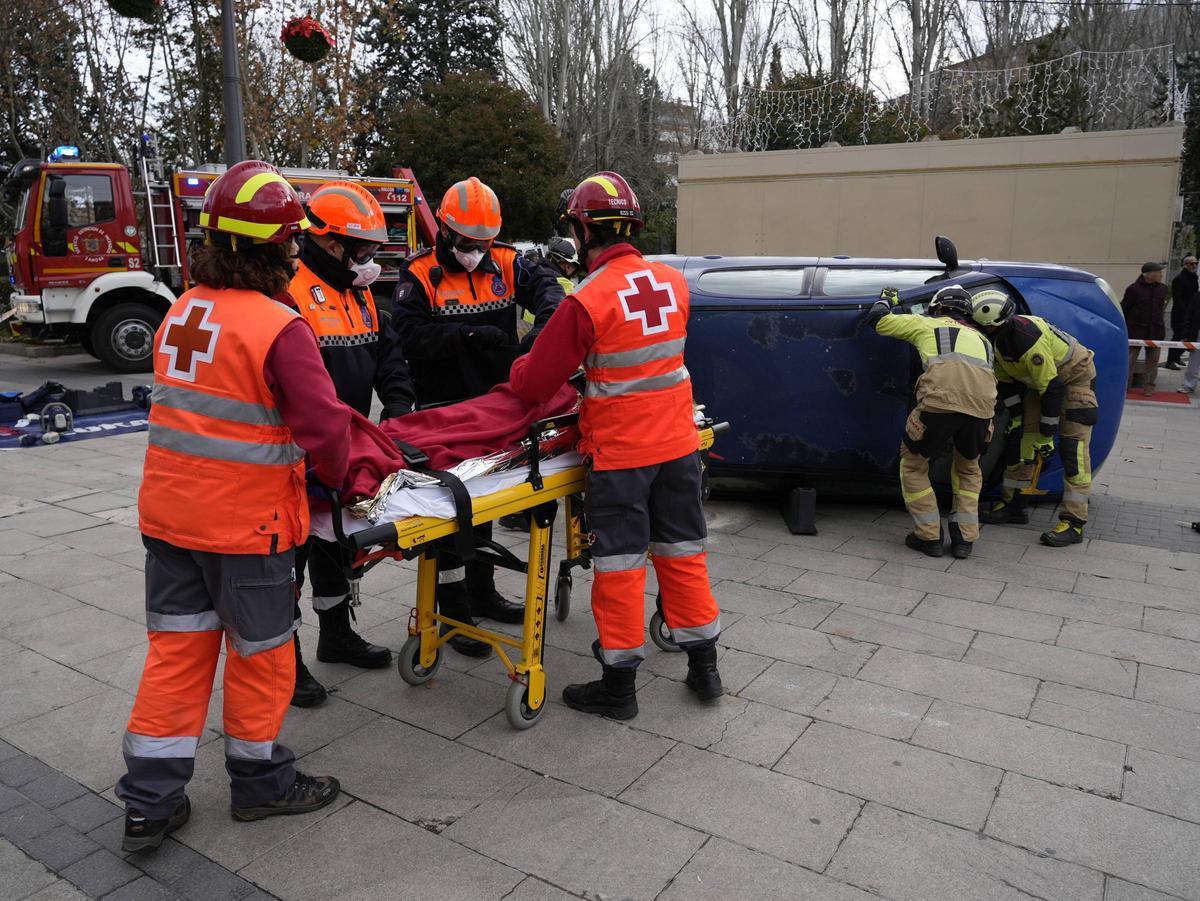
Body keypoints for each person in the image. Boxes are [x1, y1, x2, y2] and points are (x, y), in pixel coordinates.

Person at [117, 161, 345, 852]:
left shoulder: (181, 311)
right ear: (278, 247)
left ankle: (150, 803)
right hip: (249, 530)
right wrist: (345, 481)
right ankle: (260, 782)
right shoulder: (280, 326)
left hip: (170, 521)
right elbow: (326, 429)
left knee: (176, 655)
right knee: (261, 655)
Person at [509, 171, 723, 720]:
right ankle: (705, 668)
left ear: (583, 231)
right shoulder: (673, 284)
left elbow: (535, 384)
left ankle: (619, 688)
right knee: (683, 554)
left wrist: (519, 367)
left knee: (621, 567)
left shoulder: (588, 299)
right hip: (678, 446)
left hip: (623, 457)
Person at [389, 176, 564, 655]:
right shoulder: (419, 273)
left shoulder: (507, 262)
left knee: (492, 504)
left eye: (482, 243)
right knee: (451, 518)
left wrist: (543, 330)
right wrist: (466, 335)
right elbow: (408, 335)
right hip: (445, 415)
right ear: (445, 231)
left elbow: (550, 293)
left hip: (501, 411)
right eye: (467, 242)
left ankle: (482, 591)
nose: (474, 251)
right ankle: (452, 609)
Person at [285, 180, 416, 708]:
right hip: (293, 453)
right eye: (362, 250)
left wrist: (401, 412)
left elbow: (387, 356)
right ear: (331, 242)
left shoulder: (357, 291)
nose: (369, 262)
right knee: (288, 561)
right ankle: (284, 662)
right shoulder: (289, 288)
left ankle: (335, 634)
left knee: (332, 546)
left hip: (342, 445)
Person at [867, 285, 997, 559]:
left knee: (914, 465)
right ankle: (964, 540)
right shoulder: (983, 340)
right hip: (983, 412)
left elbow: (878, 322)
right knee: (969, 470)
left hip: (939, 404)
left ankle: (928, 536)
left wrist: (886, 299)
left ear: (937, 307)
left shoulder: (926, 324)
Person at [971, 290, 1099, 547]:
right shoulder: (995, 343)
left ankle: (1074, 523)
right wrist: (1019, 418)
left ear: (996, 324)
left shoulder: (1027, 340)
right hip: (1039, 385)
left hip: (1071, 381)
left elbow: (1053, 388)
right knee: (1021, 444)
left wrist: (1047, 435)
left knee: (1073, 451)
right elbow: (1007, 386)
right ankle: (1014, 505)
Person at [1123, 262, 1169, 396]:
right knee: (1130, 360)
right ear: (1149, 275)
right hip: (1136, 331)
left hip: (1155, 331)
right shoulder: (1133, 289)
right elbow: (1125, 308)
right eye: (1158, 272)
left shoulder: (1163, 289)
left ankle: (1149, 387)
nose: (1161, 275)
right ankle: (1125, 385)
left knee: (1153, 361)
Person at [1166, 254, 1199, 369]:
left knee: (1190, 337)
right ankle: (1170, 361)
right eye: (1191, 263)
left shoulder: (1194, 278)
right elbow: (1178, 298)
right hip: (1180, 314)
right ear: (1185, 265)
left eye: (1195, 263)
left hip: (1191, 314)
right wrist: (1186, 313)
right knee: (1177, 337)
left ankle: (1177, 357)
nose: (1194, 265)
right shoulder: (1179, 279)